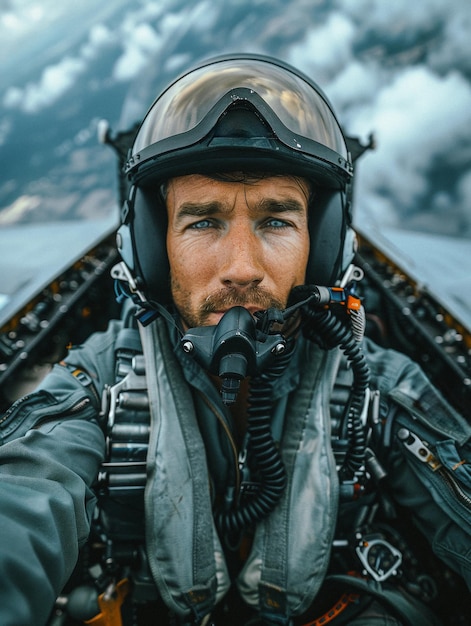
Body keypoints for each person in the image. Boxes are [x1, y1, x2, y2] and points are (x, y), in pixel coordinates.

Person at [0, 53, 470, 626]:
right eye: (203, 221)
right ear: (153, 250)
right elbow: (22, 502)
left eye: (276, 221)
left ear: (323, 250)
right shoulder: (96, 387)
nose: (242, 269)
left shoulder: (383, 390)